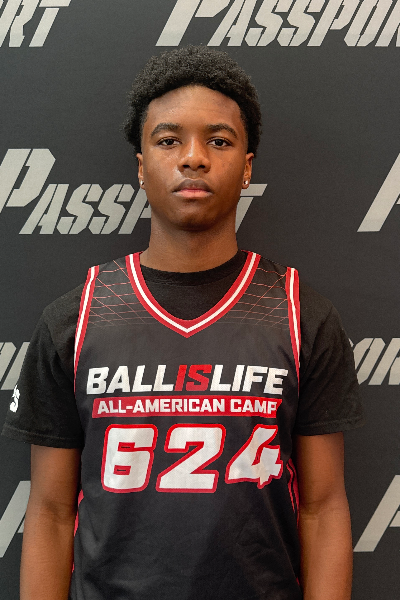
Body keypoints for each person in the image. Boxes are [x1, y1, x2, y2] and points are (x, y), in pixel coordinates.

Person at [2, 45, 363, 600]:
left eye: (219, 141)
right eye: (169, 141)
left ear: (247, 166)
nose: (194, 158)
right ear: (141, 166)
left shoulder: (298, 314)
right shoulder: (76, 318)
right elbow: (50, 512)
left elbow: (323, 507)